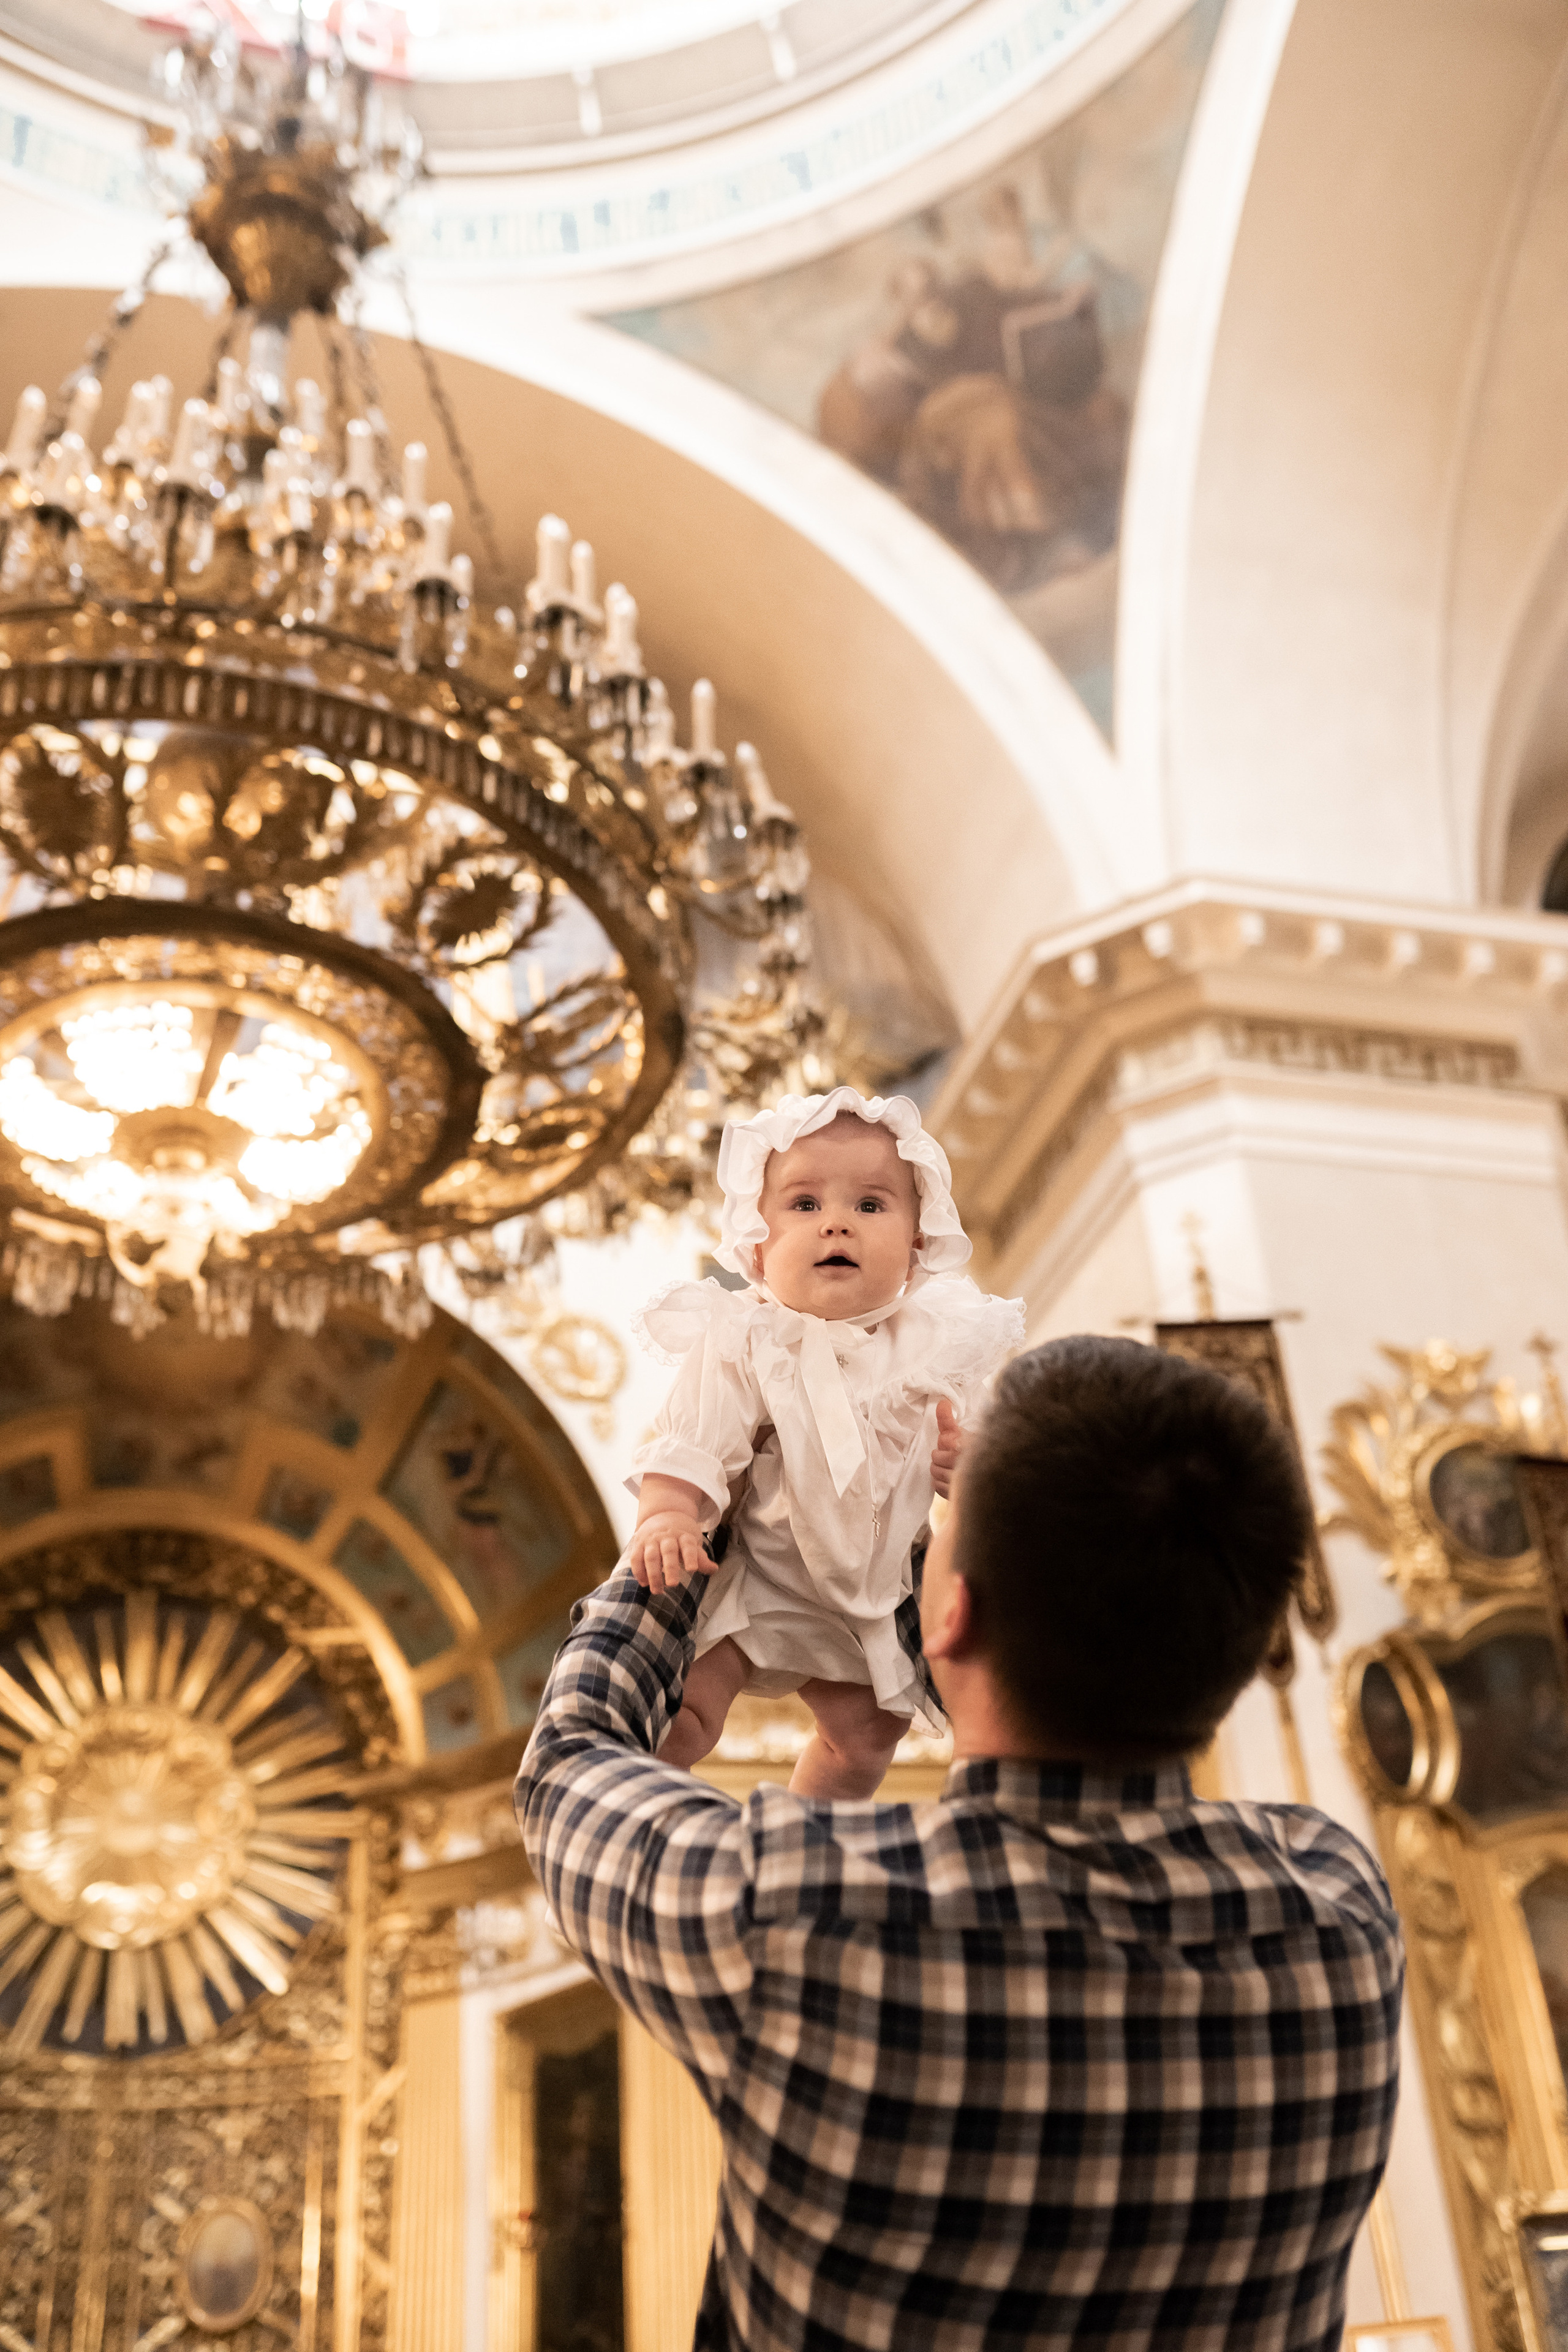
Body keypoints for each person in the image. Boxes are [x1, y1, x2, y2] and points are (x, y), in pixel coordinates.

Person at [515, 1333, 1404, 2352]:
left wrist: (692, 1515)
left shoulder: (791, 1916)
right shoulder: (1340, 1911)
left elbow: (568, 1763)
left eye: (940, 1534)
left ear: (950, 1610)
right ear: (1241, 1641)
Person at [622, 1087, 1022, 1796]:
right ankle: (638, 1818)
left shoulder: (937, 1344)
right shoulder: (748, 1336)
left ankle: (799, 1844)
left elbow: (978, 1463)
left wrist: (968, 1471)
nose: (836, 1225)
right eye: (804, 1205)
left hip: (869, 1594)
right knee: (684, 1716)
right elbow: (694, 1439)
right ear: (756, 1241)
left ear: (916, 1245)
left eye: (870, 1206)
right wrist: (669, 1514)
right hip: (759, 1581)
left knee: (865, 1743)